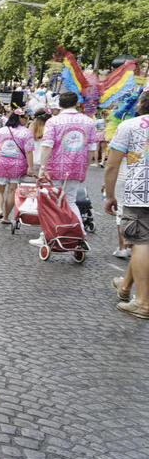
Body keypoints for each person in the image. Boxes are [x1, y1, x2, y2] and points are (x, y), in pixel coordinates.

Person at [30, 92, 97, 247]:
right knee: (71, 201)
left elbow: (47, 145)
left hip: (55, 167)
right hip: (76, 166)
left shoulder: (54, 122)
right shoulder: (89, 122)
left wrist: (42, 166)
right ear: (77, 103)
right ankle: (80, 233)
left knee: (52, 202)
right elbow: (92, 149)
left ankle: (46, 235)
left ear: (59, 104)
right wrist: (84, 167)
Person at [104, 89, 149, 319]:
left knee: (140, 241)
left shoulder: (130, 125)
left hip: (140, 193)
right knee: (144, 240)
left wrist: (110, 195)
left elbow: (112, 165)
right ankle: (125, 286)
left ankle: (143, 303)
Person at [0, 110, 34, 225]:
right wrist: (31, 167)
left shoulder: (1, 131)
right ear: (21, 118)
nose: (27, 120)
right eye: (26, 118)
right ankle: (6, 217)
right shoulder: (27, 133)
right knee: (12, 191)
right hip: (18, 165)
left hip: (1, 162)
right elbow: (29, 152)